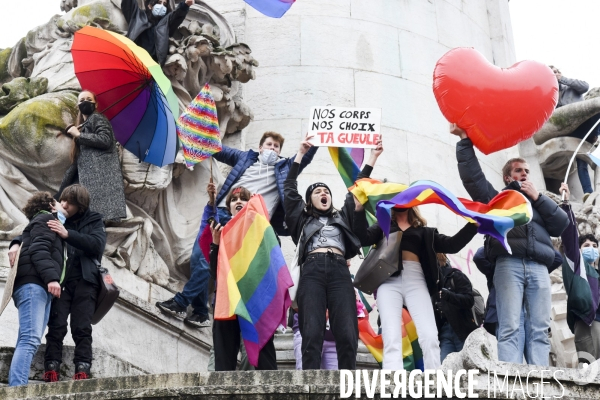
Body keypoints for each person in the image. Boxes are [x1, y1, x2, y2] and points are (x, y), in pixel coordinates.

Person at [156, 132, 318, 326]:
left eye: (276, 147)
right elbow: (217, 149)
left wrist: (317, 139)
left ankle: (181, 302)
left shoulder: (284, 168)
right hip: (220, 211)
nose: (272, 149)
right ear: (260, 147)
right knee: (198, 257)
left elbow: (305, 158)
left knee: (208, 260)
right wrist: (195, 134)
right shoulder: (245, 157)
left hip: (246, 222)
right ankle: (200, 312)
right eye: (269, 144)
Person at [451, 123, 569, 366]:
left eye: (527, 170)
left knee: (539, 328)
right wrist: (464, 140)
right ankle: (510, 380)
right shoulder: (499, 201)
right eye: (518, 170)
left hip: (538, 269)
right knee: (510, 326)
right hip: (508, 265)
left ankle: (541, 381)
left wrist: (538, 198)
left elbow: (561, 224)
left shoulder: (540, 203)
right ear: (507, 177)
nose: (524, 173)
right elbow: (473, 179)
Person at [353, 192, 477, 369]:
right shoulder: (384, 226)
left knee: (429, 334)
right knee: (391, 333)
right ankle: (392, 379)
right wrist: (358, 210)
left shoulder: (424, 232)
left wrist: (473, 225)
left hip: (416, 280)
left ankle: (433, 378)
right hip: (388, 281)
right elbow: (362, 238)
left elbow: (452, 244)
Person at [283, 135, 364, 370]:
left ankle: (347, 383)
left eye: (325, 191)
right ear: (310, 200)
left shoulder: (343, 216)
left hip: (339, 270)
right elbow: (289, 188)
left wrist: (372, 158)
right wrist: (299, 154)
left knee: (348, 333)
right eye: (317, 191)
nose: (322, 193)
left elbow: (357, 187)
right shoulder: (301, 219)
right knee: (311, 333)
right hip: (312, 270)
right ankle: (310, 386)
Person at [208, 186, 278, 371]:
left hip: (254, 295)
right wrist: (215, 244)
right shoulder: (221, 231)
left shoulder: (259, 226)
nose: (238, 201)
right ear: (229, 207)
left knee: (263, 348)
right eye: (234, 199)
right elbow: (215, 272)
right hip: (228, 297)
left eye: (243, 199)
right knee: (224, 350)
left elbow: (273, 253)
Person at [44, 185, 106, 381]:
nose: (64, 204)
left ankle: (82, 367)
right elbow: (34, 232)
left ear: (80, 204)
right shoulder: (56, 217)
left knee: (81, 327)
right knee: (57, 324)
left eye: (68, 202)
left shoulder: (94, 219)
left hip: (86, 281)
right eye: (62, 200)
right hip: (61, 281)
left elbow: (97, 245)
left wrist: (68, 234)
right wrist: (16, 243)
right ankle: (51, 366)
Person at [7, 193, 65, 386]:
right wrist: (52, 279)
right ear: (51, 205)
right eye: (57, 201)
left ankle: (16, 387)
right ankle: (17, 390)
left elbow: (29, 241)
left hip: (37, 286)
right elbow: (39, 249)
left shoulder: (38, 222)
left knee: (27, 339)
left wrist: (14, 243)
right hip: (35, 285)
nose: (60, 204)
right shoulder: (46, 218)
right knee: (30, 339)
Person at [57, 90, 126, 222]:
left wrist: (78, 135)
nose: (85, 102)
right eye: (82, 100)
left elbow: (105, 140)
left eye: (89, 99)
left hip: (100, 176)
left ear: (95, 104)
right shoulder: (85, 124)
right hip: (89, 175)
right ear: (78, 105)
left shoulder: (97, 118)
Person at [559, 182, 600, 363]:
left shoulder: (597, 271)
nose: (591, 248)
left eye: (594, 246)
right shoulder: (577, 265)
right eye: (586, 246)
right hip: (587, 321)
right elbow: (570, 238)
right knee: (591, 371)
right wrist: (566, 205)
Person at [550, 65, 597, 200]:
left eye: (557, 72)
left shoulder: (571, 87)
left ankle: (594, 135)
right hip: (571, 130)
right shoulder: (551, 92)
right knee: (581, 160)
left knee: (596, 112)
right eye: (552, 73)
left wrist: (562, 79)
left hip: (584, 123)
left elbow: (585, 86)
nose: (556, 74)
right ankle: (588, 193)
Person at [121, 0, 193, 66]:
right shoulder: (137, 16)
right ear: (150, 5)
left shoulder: (166, 23)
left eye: (164, 4)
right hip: (133, 60)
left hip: (152, 65)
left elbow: (177, 15)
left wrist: (185, 5)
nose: (162, 6)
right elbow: (128, 3)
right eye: (159, 2)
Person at [433, 254, 475, 363]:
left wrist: (449, 295)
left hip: (462, 331)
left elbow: (469, 300)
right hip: (444, 333)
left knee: (469, 367)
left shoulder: (455, 276)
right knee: (445, 371)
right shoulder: (431, 284)